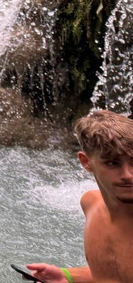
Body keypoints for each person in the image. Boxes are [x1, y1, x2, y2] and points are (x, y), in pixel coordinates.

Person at [27, 109, 133, 283]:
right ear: (86, 162)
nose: (128, 174)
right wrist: (67, 276)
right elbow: (112, 275)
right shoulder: (91, 204)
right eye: (113, 163)